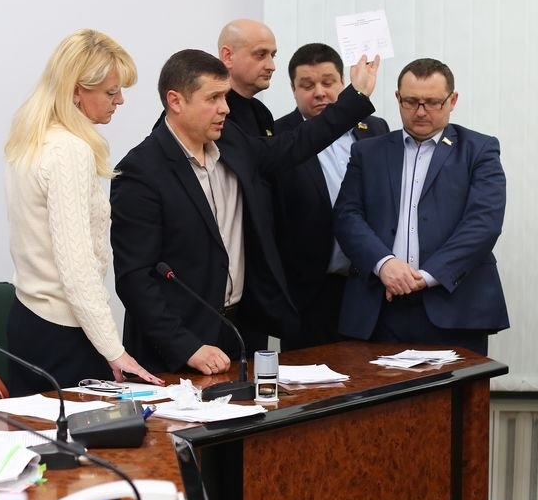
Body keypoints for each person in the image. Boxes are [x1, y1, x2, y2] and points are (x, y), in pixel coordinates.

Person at [110, 48, 379, 375]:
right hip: (175, 345)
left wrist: (356, 96)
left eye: (225, 97)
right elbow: (135, 279)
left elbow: (294, 145)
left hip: (239, 331)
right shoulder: (140, 172)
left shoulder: (231, 140)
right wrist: (186, 346)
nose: (225, 108)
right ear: (176, 101)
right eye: (213, 98)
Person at [3, 28, 162, 396]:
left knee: (35, 431)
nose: (120, 100)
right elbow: (77, 269)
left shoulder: (30, 140)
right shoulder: (69, 151)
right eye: (110, 92)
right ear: (76, 90)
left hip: (28, 319)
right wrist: (114, 350)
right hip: (64, 334)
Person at [334, 57, 509, 355]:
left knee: (455, 387)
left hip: (454, 305)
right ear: (397, 98)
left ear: (452, 100)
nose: (421, 111)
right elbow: (347, 216)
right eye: (411, 102)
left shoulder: (478, 150)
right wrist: (384, 264)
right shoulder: (368, 152)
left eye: (433, 102)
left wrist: (426, 276)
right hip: (380, 305)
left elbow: (483, 224)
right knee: (377, 385)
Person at [273, 43, 389, 350]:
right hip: (308, 291)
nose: (320, 93)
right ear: (293, 89)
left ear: (344, 82)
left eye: (328, 82)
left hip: (367, 284)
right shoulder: (277, 137)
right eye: (307, 85)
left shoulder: (375, 128)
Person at [218, 19, 278, 137]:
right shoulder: (213, 111)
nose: (271, 66)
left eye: (273, 56)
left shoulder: (262, 112)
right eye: (261, 55)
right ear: (228, 56)